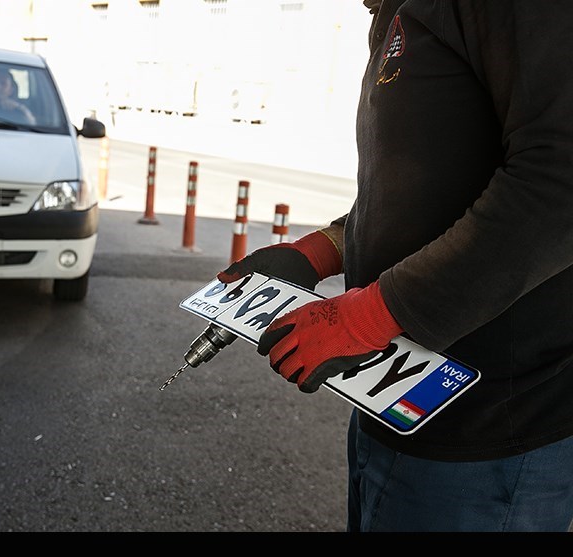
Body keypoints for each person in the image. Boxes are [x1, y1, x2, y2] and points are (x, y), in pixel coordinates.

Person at [218, 0, 573, 532]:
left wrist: (365, 318)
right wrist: (319, 252)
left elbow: (558, 182)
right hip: (402, 403)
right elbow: (429, 188)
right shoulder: (399, 10)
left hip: (489, 435)